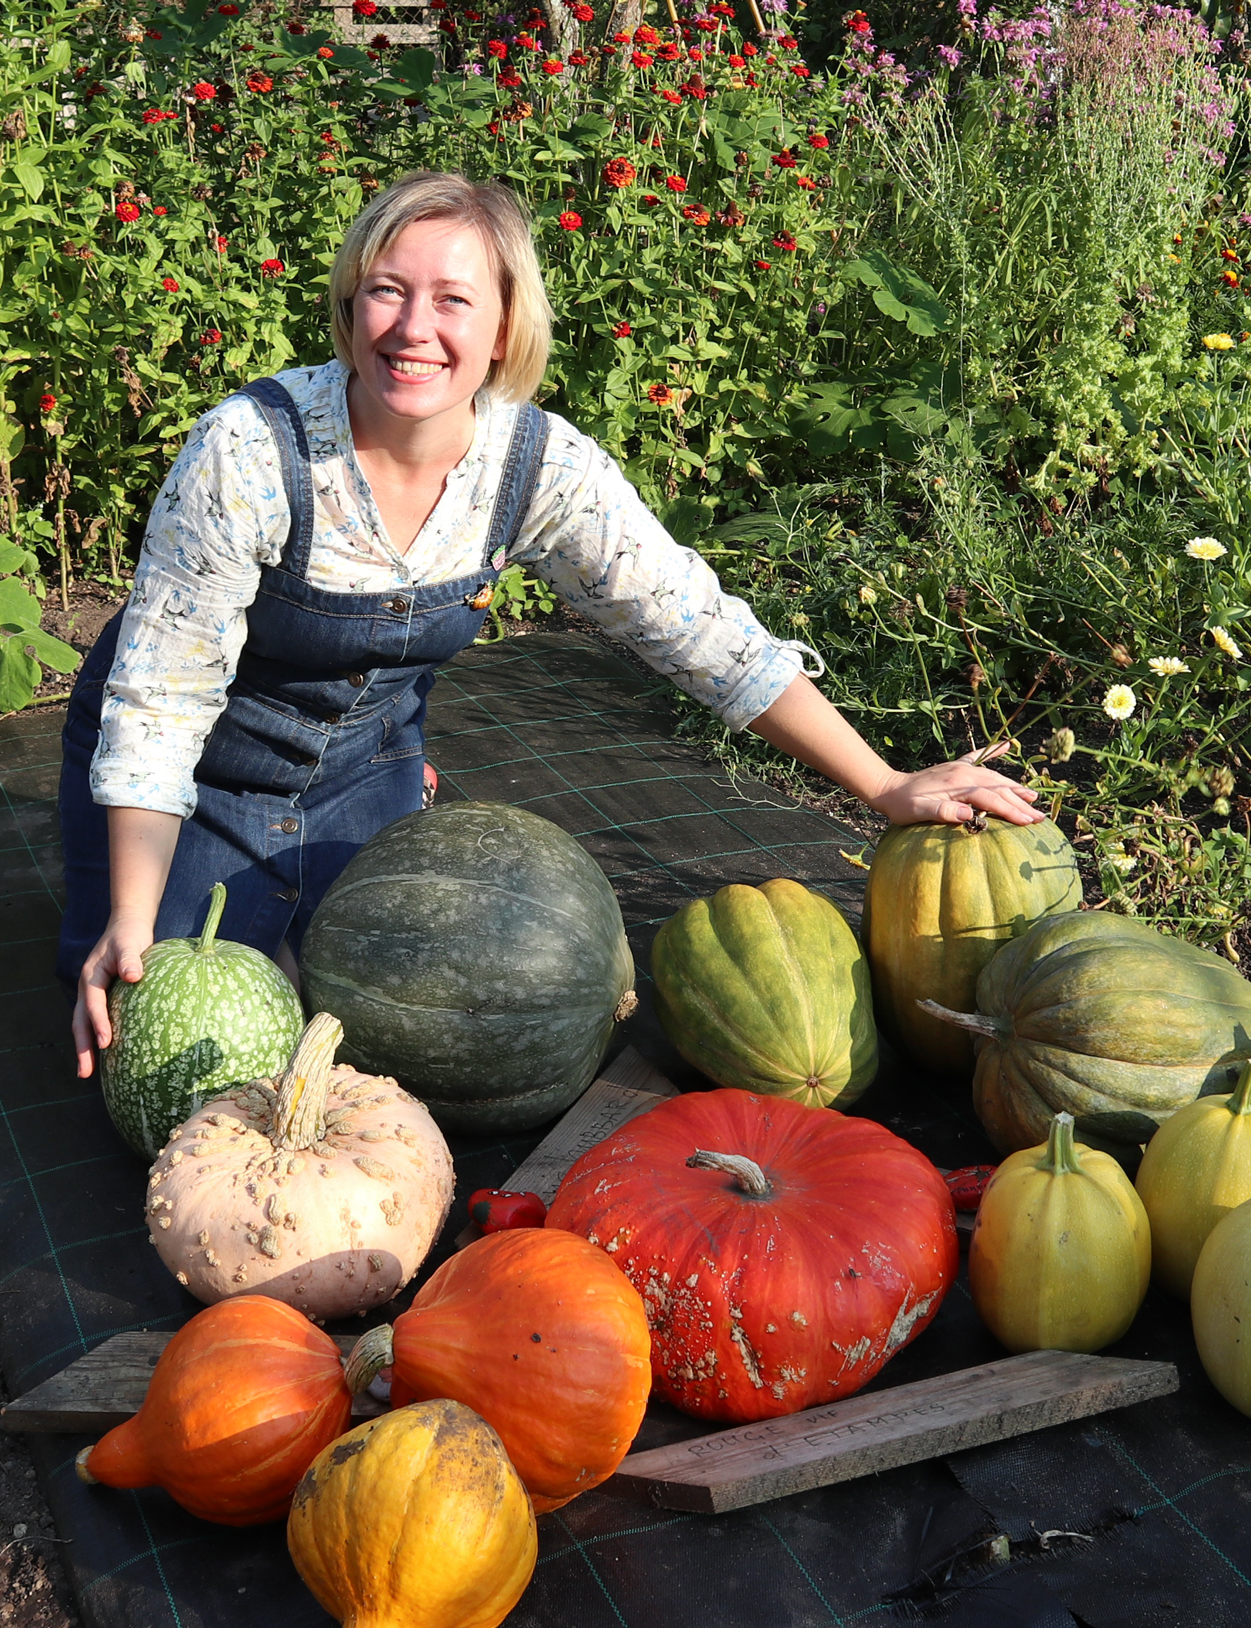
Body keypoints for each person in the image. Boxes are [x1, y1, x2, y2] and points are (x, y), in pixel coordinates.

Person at [60, 170, 1039, 1078]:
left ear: (503, 329)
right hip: (197, 778)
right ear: (350, 304)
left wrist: (883, 782)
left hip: (361, 773)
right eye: (385, 289)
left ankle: (388, 798)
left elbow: (694, 627)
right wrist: (132, 915)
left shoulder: (538, 468)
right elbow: (159, 701)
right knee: (194, 1051)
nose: (412, 328)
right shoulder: (249, 451)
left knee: (394, 1034)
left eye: (452, 299)